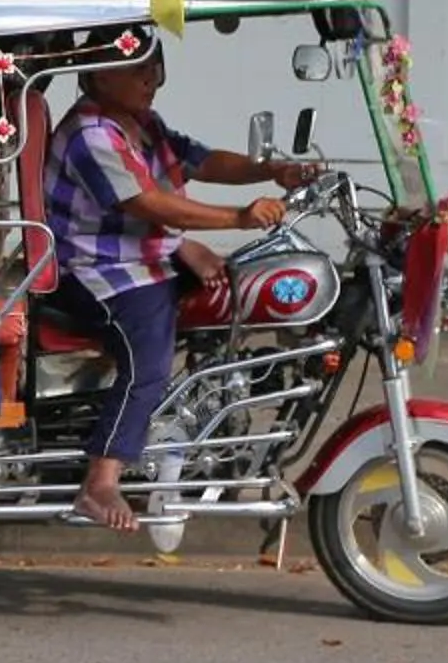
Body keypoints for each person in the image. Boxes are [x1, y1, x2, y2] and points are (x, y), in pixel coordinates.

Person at [43, 35, 318, 533]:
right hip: (96, 272)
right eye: (138, 68)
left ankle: (207, 419)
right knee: (148, 361)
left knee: (235, 293)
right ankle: (100, 481)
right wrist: (237, 217)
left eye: (155, 66)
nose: (152, 78)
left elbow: (202, 160)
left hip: (142, 258)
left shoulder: (142, 124)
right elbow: (146, 202)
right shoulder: (90, 134)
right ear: (100, 75)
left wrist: (274, 171)